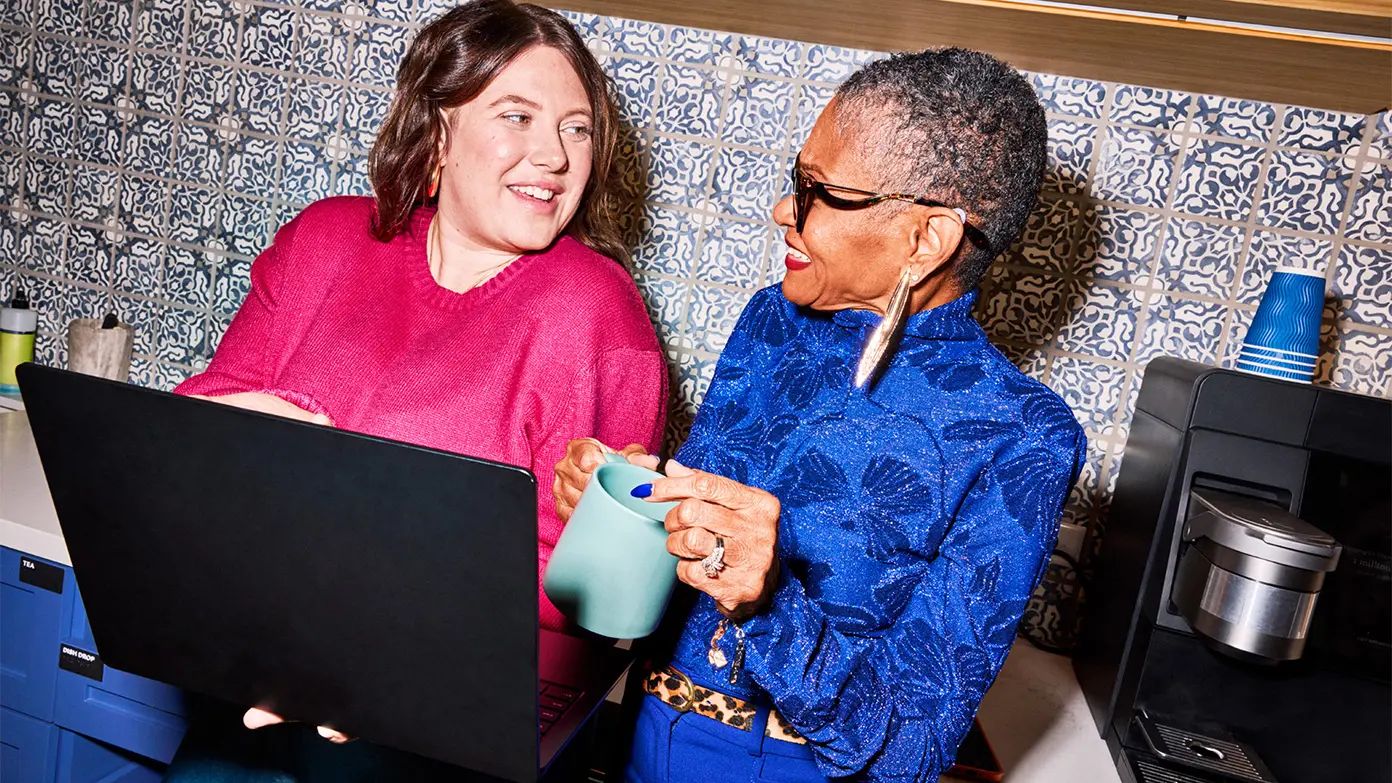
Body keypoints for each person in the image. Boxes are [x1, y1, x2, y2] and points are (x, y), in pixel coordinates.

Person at [164, 1, 665, 779]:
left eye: (576, 127)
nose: (556, 156)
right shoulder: (324, 241)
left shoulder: (595, 310)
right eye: (518, 116)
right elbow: (185, 434)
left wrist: (370, 651)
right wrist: (244, 427)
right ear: (436, 131)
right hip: (257, 697)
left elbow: (586, 606)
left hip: (442, 738)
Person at [554, 48, 1086, 782]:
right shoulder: (770, 322)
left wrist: (770, 599)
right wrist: (639, 505)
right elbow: (699, 565)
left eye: (819, 191)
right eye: (794, 182)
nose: (784, 210)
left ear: (925, 239)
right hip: (637, 736)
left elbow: (911, 748)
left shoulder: (1025, 435)